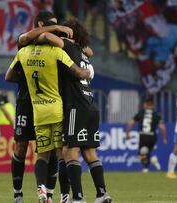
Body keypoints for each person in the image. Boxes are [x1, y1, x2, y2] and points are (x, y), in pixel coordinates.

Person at [6, 34, 93, 203]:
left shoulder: (23, 53)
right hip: (56, 109)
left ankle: (41, 189)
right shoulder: (56, 52)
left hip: (38, 111)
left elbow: (9, 76)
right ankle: (65, 196)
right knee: (62, 154)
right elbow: (77, 70)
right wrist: (86, 72)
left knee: (42, 155)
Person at [39, 19, 112, 203]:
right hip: (90, 106)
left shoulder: (68, 48)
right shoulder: (83, 53)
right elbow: (90, 50)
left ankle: (78, 198)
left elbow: (46, 35)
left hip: (75, 106)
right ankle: (102, 194)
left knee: (69, 152)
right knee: (90, 153)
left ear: (69, 33)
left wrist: (58, 30)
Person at [125, 96, 167, 173]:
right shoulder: (156, 114)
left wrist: (127, 134)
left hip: (143, 136)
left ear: (145, 104)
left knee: (141, 153)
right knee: (147, 152)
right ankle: (153, 160)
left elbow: (130, 123)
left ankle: (146, 168)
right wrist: (164, 138)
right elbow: (162, 127)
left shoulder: (141, 113)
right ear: (153, 105)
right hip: (153, 137)